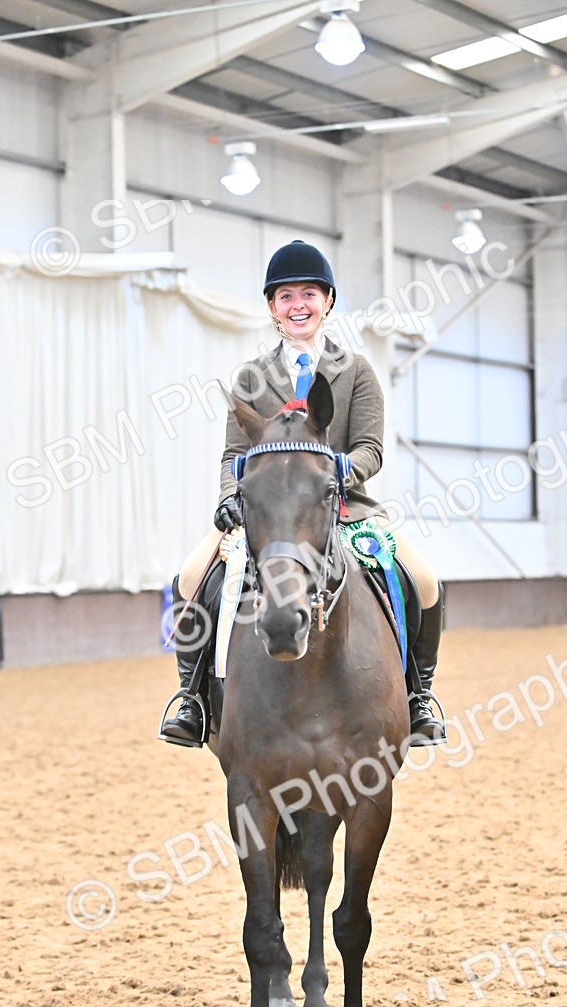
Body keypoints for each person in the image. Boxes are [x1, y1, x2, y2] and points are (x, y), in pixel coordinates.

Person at [161, 240, 445, 748]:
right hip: (268, 512)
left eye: (309, 294)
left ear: (327, 301)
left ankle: (418, 696)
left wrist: (337, 474)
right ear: (272, 307)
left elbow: (371, 448)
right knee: (191, 577)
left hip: (343, 507)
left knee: (422, 580)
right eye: (286, 296)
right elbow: (233, 456)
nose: (298, 305)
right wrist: (230, 497)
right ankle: (193, 699)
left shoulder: (356, 371)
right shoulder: (252, 377)